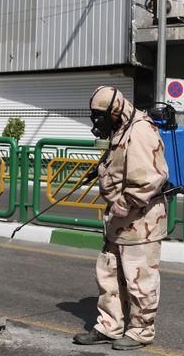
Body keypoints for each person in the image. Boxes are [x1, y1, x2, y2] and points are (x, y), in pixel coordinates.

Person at [73, 86, 169, 351]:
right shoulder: (122, 128)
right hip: (118, 221)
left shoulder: (139, 130)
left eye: (99, 115)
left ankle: (140, 332)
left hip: (140, 220)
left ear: (114, 110)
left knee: (140, 279)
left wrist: (122, 205)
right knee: (109, 275)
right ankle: (109, 326)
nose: (96, 121)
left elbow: (149, 178)